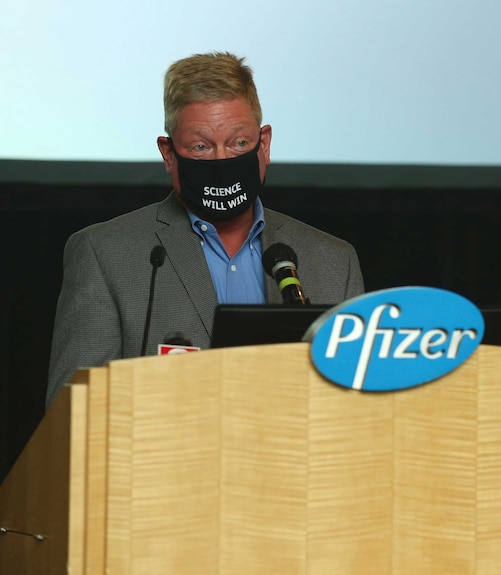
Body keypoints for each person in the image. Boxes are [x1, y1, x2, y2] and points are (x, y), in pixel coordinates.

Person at [46, 52, 364, 407]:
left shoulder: (335, 263)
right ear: (169, 154)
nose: (221, 161)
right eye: (201, 147)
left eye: (239, 143)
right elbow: (72, 417)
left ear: (265, 145)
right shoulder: (105, 255)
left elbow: (351, 411)